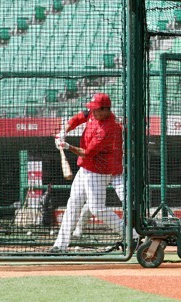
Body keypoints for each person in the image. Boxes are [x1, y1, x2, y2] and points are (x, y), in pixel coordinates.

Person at [50, 93, 124, 253]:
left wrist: (67, 146)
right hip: (84, 169)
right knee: (73, 204)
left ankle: (130, 235)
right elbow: (78, 118)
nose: (93, 113)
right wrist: (64, 130)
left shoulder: (109, 128)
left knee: (97, 209)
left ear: (106, 110)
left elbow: (87, 152)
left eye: (97, 110)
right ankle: (60, 246)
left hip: (99, 171)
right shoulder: (93, 113)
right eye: (93, 109)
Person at [70, 118, 139, 247]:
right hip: (102, 170)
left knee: (128, 200)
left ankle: (133, 233)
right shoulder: (109, 128)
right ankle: (79, 229)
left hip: (118, 172)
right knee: (93, 204)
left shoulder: (127, 133)